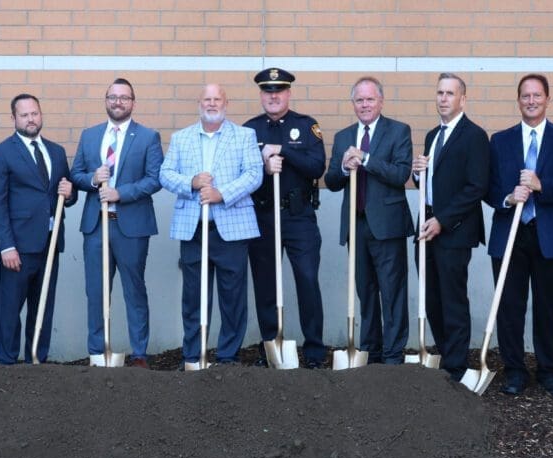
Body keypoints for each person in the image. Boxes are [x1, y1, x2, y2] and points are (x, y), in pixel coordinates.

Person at [486, 74, 553, 397]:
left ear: (547, 99)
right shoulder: (500, 140)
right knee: (509, 306)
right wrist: (508, 197)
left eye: (537, 95)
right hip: (511, 233)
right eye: (525, 96)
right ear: (518, 101)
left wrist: (543, 185)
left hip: (551, 235)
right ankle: (514, 371)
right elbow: (487, 187)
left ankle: (548, 371)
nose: (531, 101)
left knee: (547, 306)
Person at [159, 84, 263, 367]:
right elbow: (165, 174)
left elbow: (254, 174)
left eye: (217, 99)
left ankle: (228, 357)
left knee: (233, 298)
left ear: (226, 103)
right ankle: (193, 356)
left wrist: (222, 194)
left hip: (231, 229)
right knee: (193, 298)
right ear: (199, 103)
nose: (212, 103)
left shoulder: (244, 136)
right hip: (194, 230)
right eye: (207, 99)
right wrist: (191, 182)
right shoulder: (181, 139)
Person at [71, 78, 164, 368]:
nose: (118, 102)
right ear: (106, 100)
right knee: (96, 292)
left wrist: (120, 193)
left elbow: (154, 179)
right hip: (96, 226)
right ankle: (98, 352)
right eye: (113, 97)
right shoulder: (90, 136)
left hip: (131, 227)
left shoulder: (148, 137)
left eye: (124, 97)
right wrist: (91, 179)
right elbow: (76, 174)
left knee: (134, 290)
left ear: (133, 102)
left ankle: (138, 354)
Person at [324, 76, 414, 364]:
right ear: (353, 104)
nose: (365, 104)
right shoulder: (343, 136)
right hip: (356, 224)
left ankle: (393, 354)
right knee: (365, 291)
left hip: (387, 226)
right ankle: (370, 351)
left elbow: (401, 174)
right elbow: (332, 181)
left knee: (392, 292)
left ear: (381, 101)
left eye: (370, 99)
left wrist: (365, 159)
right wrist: (343, 165)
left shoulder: (398, 131)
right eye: (359, 100)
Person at [243, 68, 327, 369]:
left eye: (279, 91)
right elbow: (241, 175)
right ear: (262, 95)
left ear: (288, 93)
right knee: (265, 285)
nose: (273, 96)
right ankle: (271, 348)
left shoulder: (306, 127)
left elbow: (317, 167)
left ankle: (315, 352)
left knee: (306, 280)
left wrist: (285, 153)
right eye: (268, 91)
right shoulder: (249, 130)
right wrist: (263, 169)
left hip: (298, 216)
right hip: (263, 215)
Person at [0, 93, 77, 365]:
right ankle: (8, 364)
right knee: (11, 308)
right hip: (19, 247)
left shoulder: (56, 152)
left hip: (49, 243)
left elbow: (65, 196)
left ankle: (36, 360)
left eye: (34, 113)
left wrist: (70, 193)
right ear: (13, 118)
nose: (31, 119)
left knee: (43, 306)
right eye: (24, 115)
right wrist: (6, 246)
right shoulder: (1, 152)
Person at [412, 73, 489, 380]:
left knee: (452, 298)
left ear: (462, 99)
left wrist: (443, 220)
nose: (443, 98)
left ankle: (455, 367)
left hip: (454, 230)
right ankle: (446, 355)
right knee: (432, 298)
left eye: (450, 94)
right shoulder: (432, 135)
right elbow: (429, 182)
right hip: (426, 225)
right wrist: (418, 174)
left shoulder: (474, 136)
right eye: (440, 93)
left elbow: (476, 186)